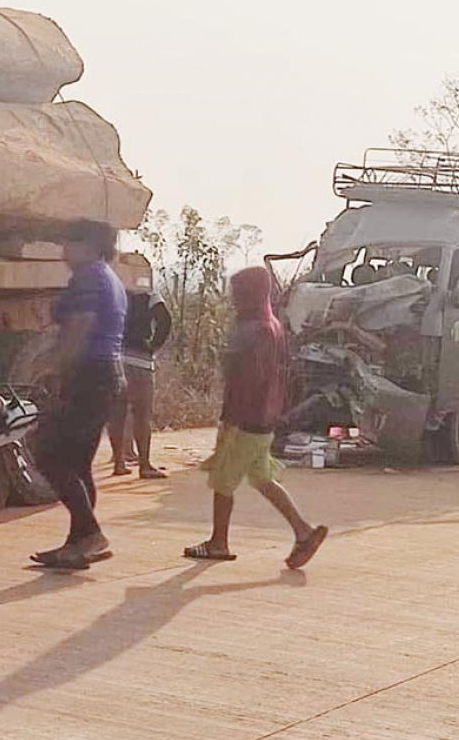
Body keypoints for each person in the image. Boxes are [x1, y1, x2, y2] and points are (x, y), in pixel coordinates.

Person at [184, 266, 328, 568]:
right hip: (264, 419)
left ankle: (218, 543)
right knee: (262, 479)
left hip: (246, 419)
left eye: (238, 293)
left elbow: (248, 378)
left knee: (224, 480)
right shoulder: (272, 325)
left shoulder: (254, 329)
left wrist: (234, 417)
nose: (234, 299)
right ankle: (303, 531)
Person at [31, 220, 126, 569]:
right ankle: (79, 542)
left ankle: (90, 534)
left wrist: (55, 366)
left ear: (86, 245)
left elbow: (81, 328)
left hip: (90, 375)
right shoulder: (108, 277)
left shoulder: (88, 276)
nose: (63, 252)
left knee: (47, 453)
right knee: (79, 463)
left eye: (68, 244)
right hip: (106, 376)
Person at [109, 289, 173, 479]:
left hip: (116, 359)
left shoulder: (114, 292)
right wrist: (153, 346)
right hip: (141, 361)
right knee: (142, 414)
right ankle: (144, 466)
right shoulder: (149, 295)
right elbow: (165, 320)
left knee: (117, 413)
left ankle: (119, 463)